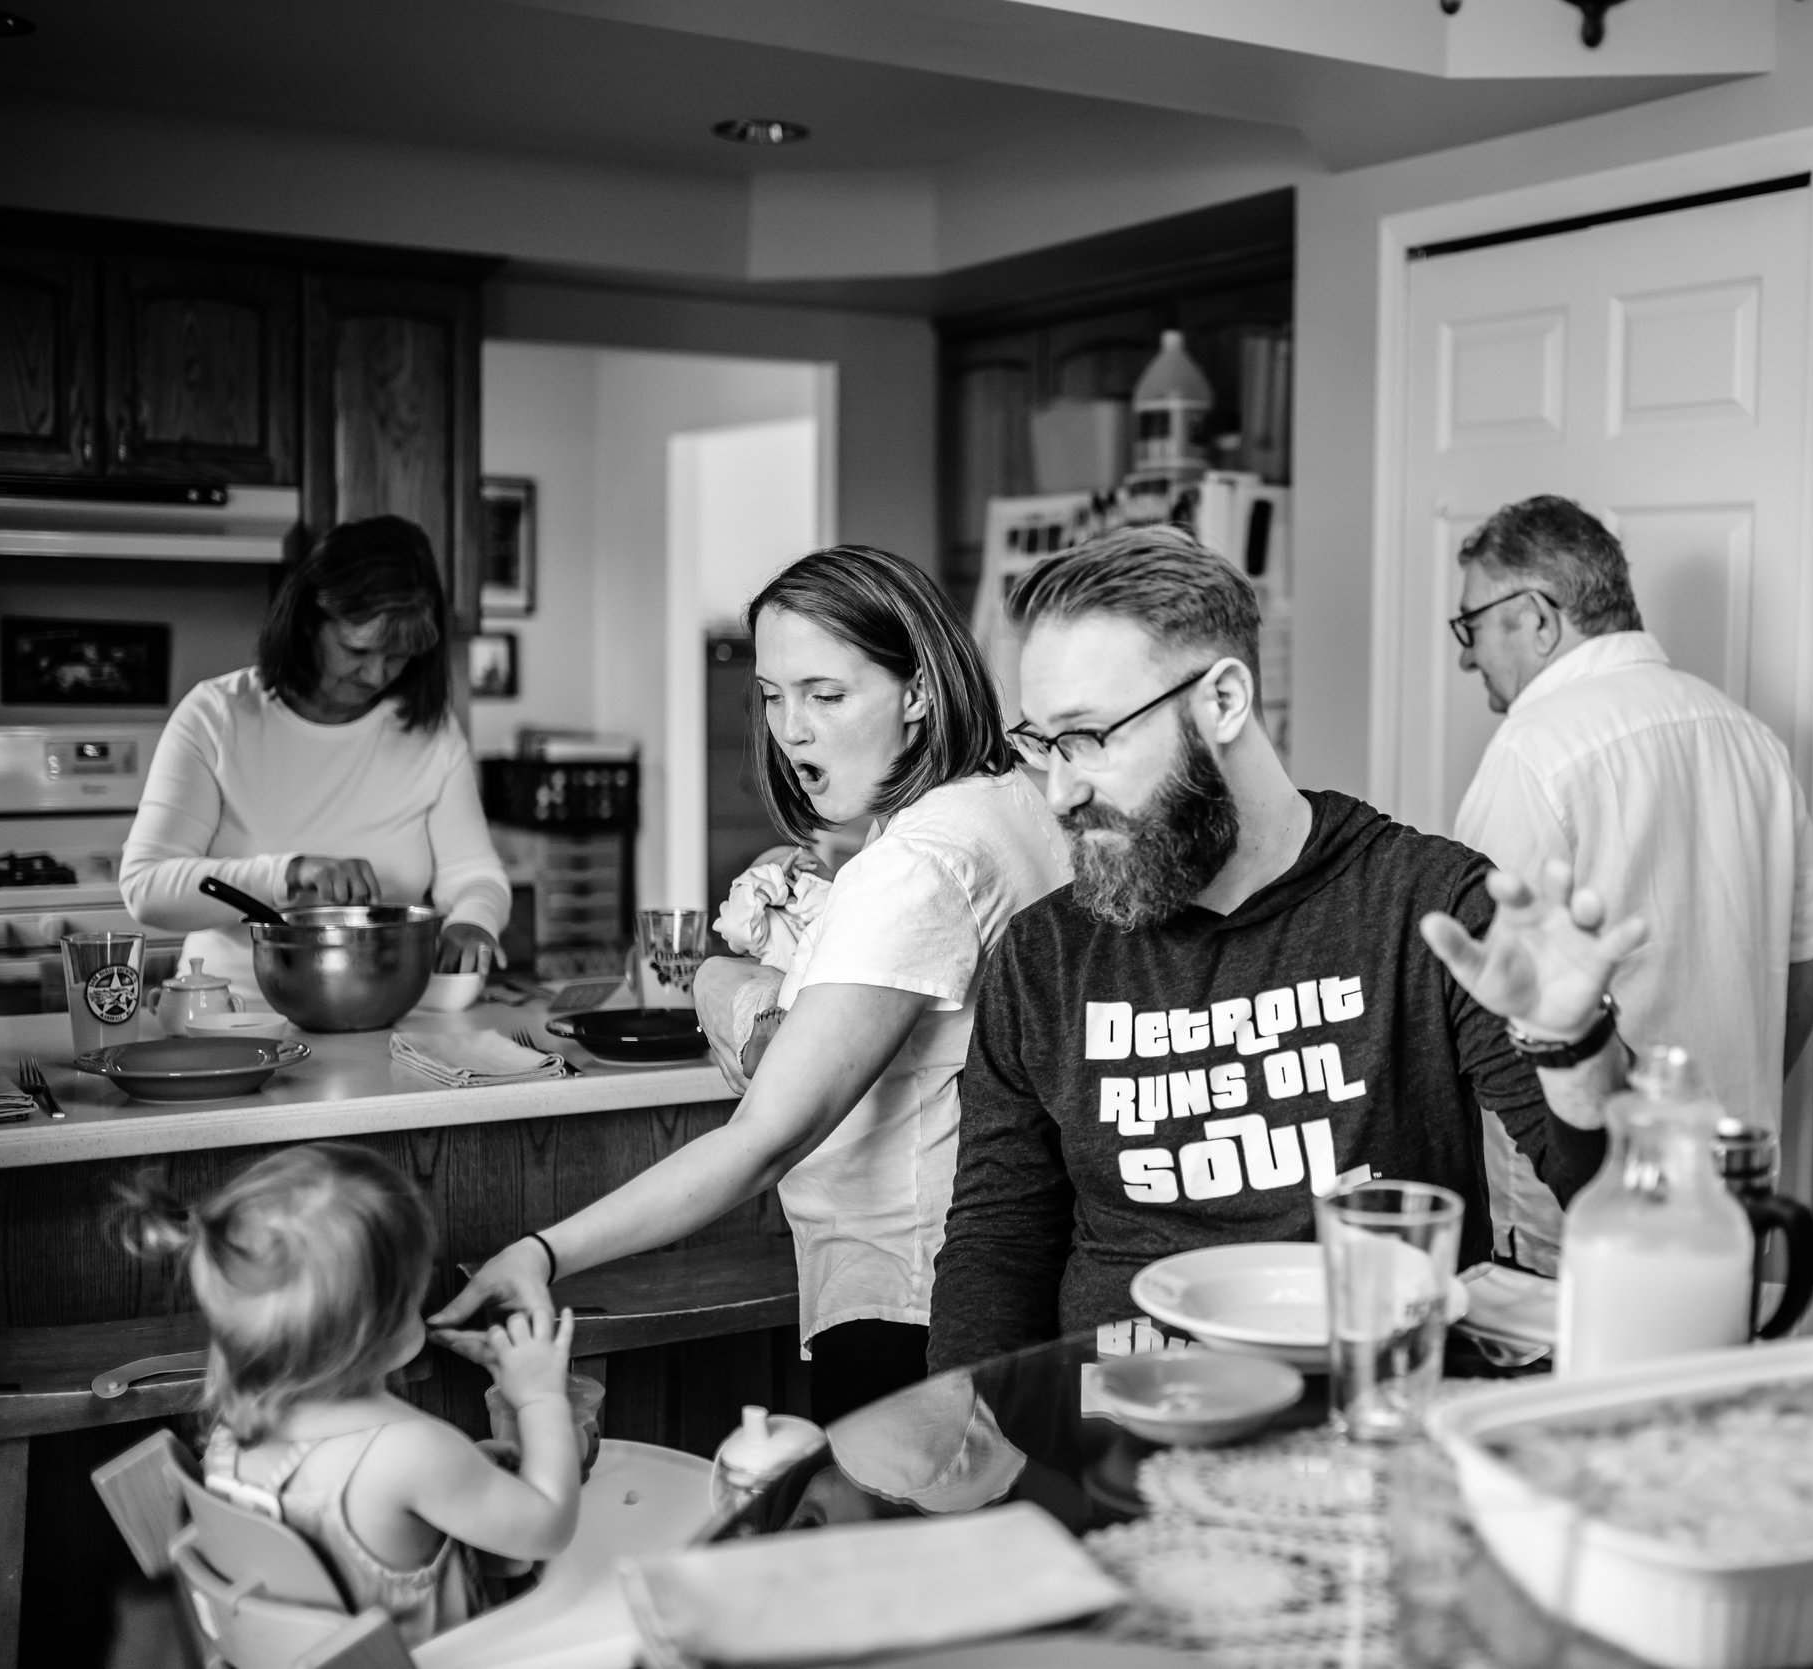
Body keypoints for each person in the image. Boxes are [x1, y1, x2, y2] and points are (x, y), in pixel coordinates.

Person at [927, 525, 1645, 1371]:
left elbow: (1615, 1200)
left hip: (1371, 1409)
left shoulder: (1427, 905)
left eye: (1089, 738)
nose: (1060, 789)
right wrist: (975, 1451)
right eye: (1043, 742)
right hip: (1123, 1415)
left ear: (1223, 701)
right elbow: (997, 1238)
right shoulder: (1045, 953)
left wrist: (1574, 1049)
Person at [432, 547, 1068, 1422]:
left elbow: (763, 1138)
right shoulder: (1018, 801)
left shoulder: (916, 867)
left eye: (826, 694)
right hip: (1010, 1280)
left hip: (909, 1293)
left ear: (919, 691)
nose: (790, 728)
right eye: (771, 694)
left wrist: (543, 1252)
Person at [1448, 496, 1813, 1273]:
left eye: (1471, 626)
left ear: (1536, 617)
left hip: (1581, 1212)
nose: (1466, 656)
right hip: (1731, 1193)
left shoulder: (1532, 752)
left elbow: (1487, 995)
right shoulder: (1748, 735)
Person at [114, 1143, 581, 1647]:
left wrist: (467, 1474)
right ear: (389, 1322)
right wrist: (539, 1398)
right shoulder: (412, 1452)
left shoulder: (232, 1433)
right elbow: (549, 1527)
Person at [120, 516, 509, 995]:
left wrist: (474, 921)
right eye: (357, 649)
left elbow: (474, 873)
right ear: (308, 621)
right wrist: (292, 872)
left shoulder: (431, 730)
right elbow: (147, 888)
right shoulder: (218, 715)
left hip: (387, 1013)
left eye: (398, 655)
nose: (376, 674)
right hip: (231, 1014)